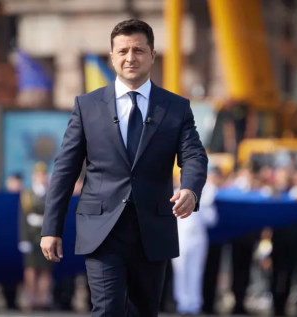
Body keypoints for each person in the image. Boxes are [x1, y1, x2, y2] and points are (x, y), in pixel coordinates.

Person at [40, 19, 208, 317]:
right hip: (102, 229)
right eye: (123, 51)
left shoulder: (176, 107)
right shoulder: (86, 106)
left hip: (152, 229)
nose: (131, 57)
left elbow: (194, 155)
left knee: (143, 312)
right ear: (112, 56)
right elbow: (65, 169)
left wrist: (191, 190)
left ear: (153, 55)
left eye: (139, 50)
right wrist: (51, 228)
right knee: (108, 310)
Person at [172, 166, 219, 315]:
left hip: (198, 236)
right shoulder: (174, 193)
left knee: (196, 271)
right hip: (182, 236)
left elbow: (212, 220)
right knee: (180, 271)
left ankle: (194, 303)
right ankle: (182, 303)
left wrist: (206, 203)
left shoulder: (204, 196)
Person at [19, 162, 53, 311]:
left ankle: (43, 299)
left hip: (46, 233)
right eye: (39, 174)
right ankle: (31, 298)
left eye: (43, 174)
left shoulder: (51, 193)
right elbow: (22, 218)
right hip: (32, 234)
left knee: (46, 269)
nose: (41, 177)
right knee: (31, 269)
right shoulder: (28, 194)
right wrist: (23, 239)